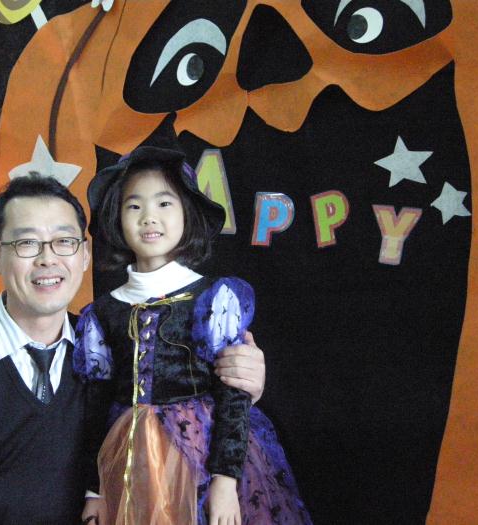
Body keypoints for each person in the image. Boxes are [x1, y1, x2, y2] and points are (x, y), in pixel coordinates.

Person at [0, 173, 267, 525]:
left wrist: (242, 381)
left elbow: (170, 403)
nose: (47, 258)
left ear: (84, 255)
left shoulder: (106, 346)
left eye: (64, 241)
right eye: (27, 243)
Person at [76, 147, 312, 525]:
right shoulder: (103, 312)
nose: (149, 217)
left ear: (186, 212)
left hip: (202, 457)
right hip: (130, 465)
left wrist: (225, 481)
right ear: (116, 218)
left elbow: (233, 395)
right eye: (134, 206)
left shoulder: (214, 297)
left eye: (164, 203)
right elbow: (96, 406)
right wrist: (95, 490)